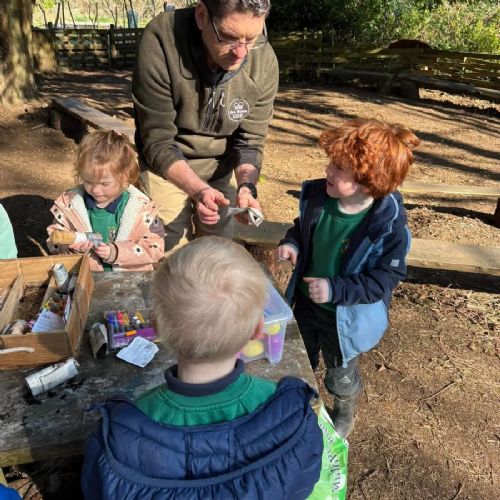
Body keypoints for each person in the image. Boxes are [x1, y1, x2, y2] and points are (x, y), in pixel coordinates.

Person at [81, 236, 323, 499]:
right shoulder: (291, 417)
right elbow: (301, 484)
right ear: (257, 330)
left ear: (157, 327)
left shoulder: (121, 435)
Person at [278, 118, 420, 438]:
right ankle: (301, 400)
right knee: (300, 357)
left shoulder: (386, 227)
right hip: (307, 304)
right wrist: (292, 243)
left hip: (346, 318)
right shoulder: (320, 201)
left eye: (339, 168)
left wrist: (335, 289)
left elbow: (384, 278)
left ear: (369, 181)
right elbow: (302, 229)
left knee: (339, 372)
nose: (328, 170)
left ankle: (343, 410)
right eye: (331, 162)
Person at [133, 0, 278, 252]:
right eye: (229, 37)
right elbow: (158, 141)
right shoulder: (161, 41)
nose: (241, 53)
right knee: (167, 251)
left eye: (251, 39)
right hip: (165, 167)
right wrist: (198, 189)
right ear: (202, 15)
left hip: (220, 169)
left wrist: (246, 187)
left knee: (216, 254)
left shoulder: (263, 61)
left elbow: (250, 142)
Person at [47, 130, 165, 272]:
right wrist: (72, 248)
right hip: (88, 277)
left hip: (129, 280)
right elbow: (54, 241)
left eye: (104, 184)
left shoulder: (142, 210)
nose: (96, 190)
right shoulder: (70, 206)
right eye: (88, 181)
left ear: (124, 177)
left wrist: (116, 252)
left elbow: (155, 248)